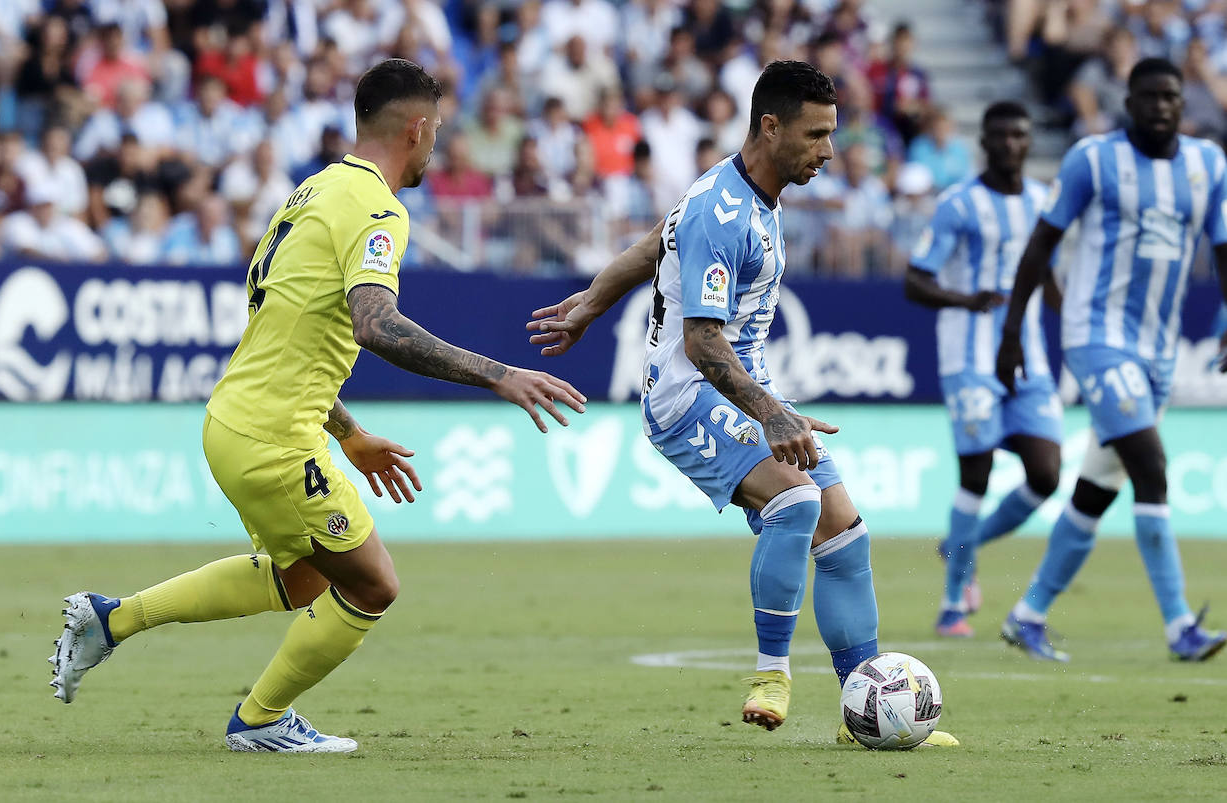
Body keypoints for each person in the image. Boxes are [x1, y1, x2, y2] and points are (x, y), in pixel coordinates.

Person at [49, 59, 587, 753]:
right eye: (437, 133)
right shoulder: (377, 208)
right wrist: (498, 375)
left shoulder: (313, 192)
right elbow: (376, 323)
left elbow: (295, 332)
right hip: (275, 437)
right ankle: (261, 717)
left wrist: (351, 431)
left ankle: (111, 618)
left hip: (237, 421)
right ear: (417, 129)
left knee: (302, 575)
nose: (436, 146)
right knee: (373, 584)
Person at [526, 60, 957, 747]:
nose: (829, 151)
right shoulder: (716, 211)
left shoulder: (751, 196)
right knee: (797, 500)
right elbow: (700, 342)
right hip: (688, 395)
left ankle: (864, 709)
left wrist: (589, 304)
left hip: (742, 390)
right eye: (816, 135)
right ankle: (770, 674)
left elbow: (648, 248)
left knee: (846, 534)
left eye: (832, 134)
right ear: (770, 125)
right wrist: (772, 412)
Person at [995, 58, 1227, 663]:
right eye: (1148, 96)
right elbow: (1041, 245)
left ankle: (1027, 614)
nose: (1160, 106)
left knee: (1096, 490)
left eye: (1170, 97)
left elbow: (1224, 248)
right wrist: (1013, 331)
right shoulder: (1092, 160)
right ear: (1128, 100)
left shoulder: (1209, 165)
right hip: (1095, 336)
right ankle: (1180, 626)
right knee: (1151, 468)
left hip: (1158, 350)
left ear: (1184, 103)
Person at [904, 101, 1062, 638]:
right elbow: (915, 280)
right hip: (968, 359)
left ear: (1029, 140)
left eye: (1019, 135)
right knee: (976, 474)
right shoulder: (959, 205)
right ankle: (952, 606)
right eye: (999, 136)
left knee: (1046, 474)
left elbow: (1052, 279)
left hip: (1028, 357)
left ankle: (960, 546)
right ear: (986, 143)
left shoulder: (1045, 203)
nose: (1010, 144)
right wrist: (967, 300)